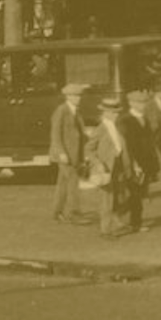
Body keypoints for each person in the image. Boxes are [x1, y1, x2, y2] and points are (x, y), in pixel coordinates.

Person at [87, 98, 142, 238]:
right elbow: (88, 149)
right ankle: (105, 230)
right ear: (105, 113)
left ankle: (117, 221)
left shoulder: (116, 127)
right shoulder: (100, 129)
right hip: (107, 169)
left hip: (120, 166)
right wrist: (98, 164)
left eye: (117, 112)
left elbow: (125, 148)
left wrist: (134, 164)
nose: (116, 115)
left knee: (121, 195)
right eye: (112, 112)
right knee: (107, 199)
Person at [49, 81, 91, 225]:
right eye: (75, 96)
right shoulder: (61, 111)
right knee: (73, 182)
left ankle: (57, 212)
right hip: (65, 155)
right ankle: (75, 214)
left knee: (63, 184)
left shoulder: (76, 112)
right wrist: (61, 152)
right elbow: (55, 134)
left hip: (74, 155)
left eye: (79, 95)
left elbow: (80, 134)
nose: (78, 98)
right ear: (67, 96)